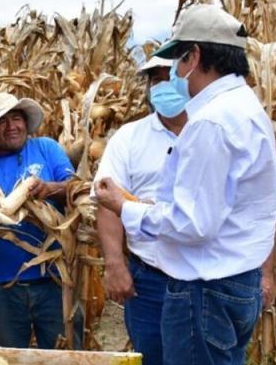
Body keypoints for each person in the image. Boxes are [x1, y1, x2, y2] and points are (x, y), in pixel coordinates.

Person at [94, 4, 276, 365]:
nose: (175, 75)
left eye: (178, 62)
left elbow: (191, 224)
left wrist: (125, 207)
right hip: (234, 282)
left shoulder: (210, 122)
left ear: (194, 56)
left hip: (205, 291)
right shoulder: (247, 108)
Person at [0, 92, 82, 349]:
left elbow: (76, 189)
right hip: (4, 284)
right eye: (2, 122)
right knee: (10, 357)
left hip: (55, 279)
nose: (11, 126)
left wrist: (49, 189)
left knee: (64, 355)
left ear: (26, 122)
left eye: (16, 118)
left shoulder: (46, 148)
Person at [93, 55, 186, 365]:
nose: (163, 86)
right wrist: (114, 264)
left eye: (170, 76)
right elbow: (107, 202)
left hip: (206, 279)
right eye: (156, 79)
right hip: (150, 278)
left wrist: (266, 274)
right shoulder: (129, 137)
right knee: (151, 356)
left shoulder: (212, 131)